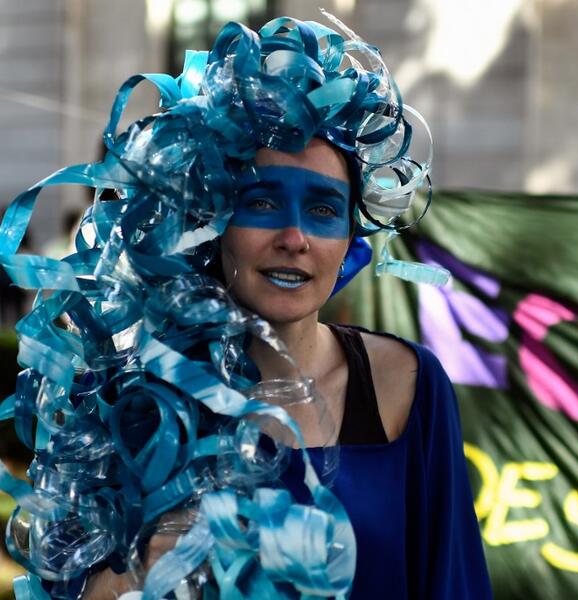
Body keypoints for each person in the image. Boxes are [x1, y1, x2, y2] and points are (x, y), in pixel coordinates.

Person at [0, 14, 491, 599]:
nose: (294, 236)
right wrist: (141, 569)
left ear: (348, 242)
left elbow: (453, 582)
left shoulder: (407, 386)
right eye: (262, 201)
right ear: (214, 224)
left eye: (324, 209)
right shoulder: (135, 406)